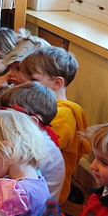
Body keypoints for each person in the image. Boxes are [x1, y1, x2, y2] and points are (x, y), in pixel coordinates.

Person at [20, 45, 88, 204]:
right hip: (36, 180)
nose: (25, 85)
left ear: (57, 83)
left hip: (49, 190)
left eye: (33, 80)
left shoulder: (63, 115)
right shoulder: (45, 108)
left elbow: (39, 151)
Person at [0, 81, 65, 200]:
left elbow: (8, 191)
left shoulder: (35, 149)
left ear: (33, 122)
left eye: (9, 117)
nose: (1, 121)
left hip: (32, 212)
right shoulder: (34, 140)